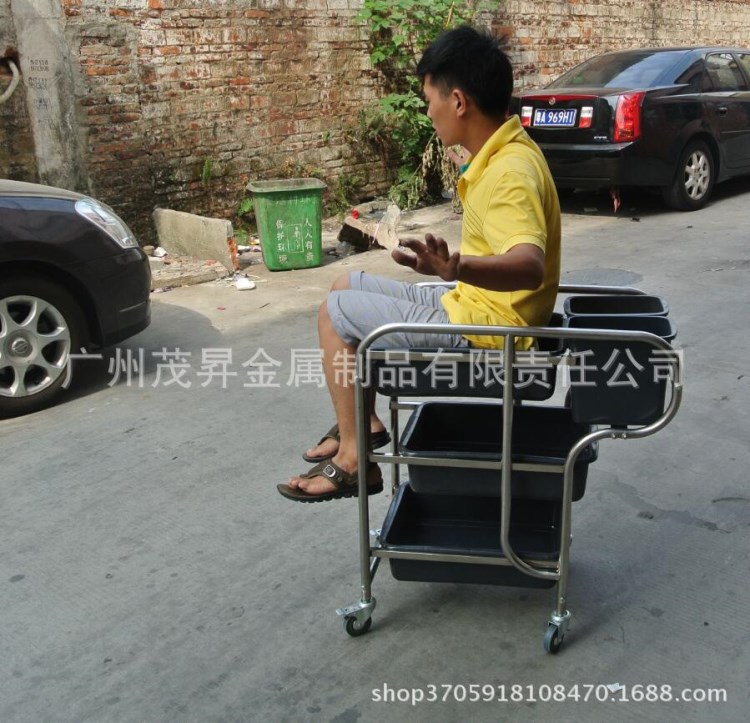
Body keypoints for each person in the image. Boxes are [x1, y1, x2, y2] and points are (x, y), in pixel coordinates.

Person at [277, 24, 561, 503]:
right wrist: (445, 270)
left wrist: (455, 269)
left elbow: (528, 264)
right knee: (345, 282)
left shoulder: (509, 172)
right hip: (476, 305)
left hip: (490, 329)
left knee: (335, 314)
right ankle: (361, 426)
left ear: (458, 101)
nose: (428, 112)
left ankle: (353, 461)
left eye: (430, 100)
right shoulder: (503, 154)